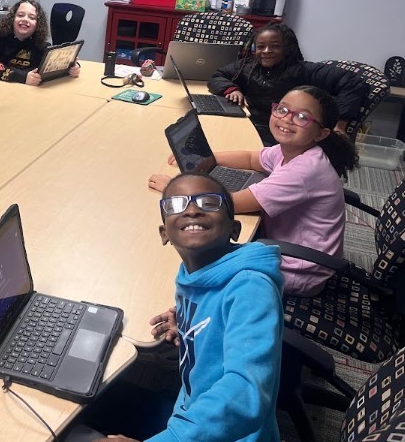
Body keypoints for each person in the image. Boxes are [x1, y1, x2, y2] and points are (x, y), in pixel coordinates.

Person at [79, 173, 283, 442]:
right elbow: (215, 309)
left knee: (71, 430)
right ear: (165, 234)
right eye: (177, 205)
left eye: (209, 202)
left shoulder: (250, 288)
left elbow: (245, 393)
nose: (193, 210)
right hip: (194, 413)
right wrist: (190, 324)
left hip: (232, 434)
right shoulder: (196, 271)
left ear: (234, 229)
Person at [149, 85, 357, 296]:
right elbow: (251, 158)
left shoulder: (305, 170)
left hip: (300, 269)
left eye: (302, 117)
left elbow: (230, 205)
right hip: (286, 245)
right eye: (282, 109)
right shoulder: (294, 150)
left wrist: (175, 190)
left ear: (321, 133)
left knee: (200, 256)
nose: (286, 119)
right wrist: (206, 159)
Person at [207, 23, 367, 145]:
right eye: (261, 46)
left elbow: (353, 83)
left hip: (283, 133)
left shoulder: (305, 70)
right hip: (246, 123)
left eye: (275, 46)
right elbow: (217, 75)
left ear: (288, 48)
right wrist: (231, 89)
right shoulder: (247, 66)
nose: (266, 51)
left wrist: (340, 123)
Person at [0, 0, 80, 85]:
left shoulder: (40, 46)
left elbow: (55, 65)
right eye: (20, 15)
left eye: (32, 17)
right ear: (12, 19)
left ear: (38, 25)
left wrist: (71, 68)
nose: (25, 19)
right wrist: (22, 77)